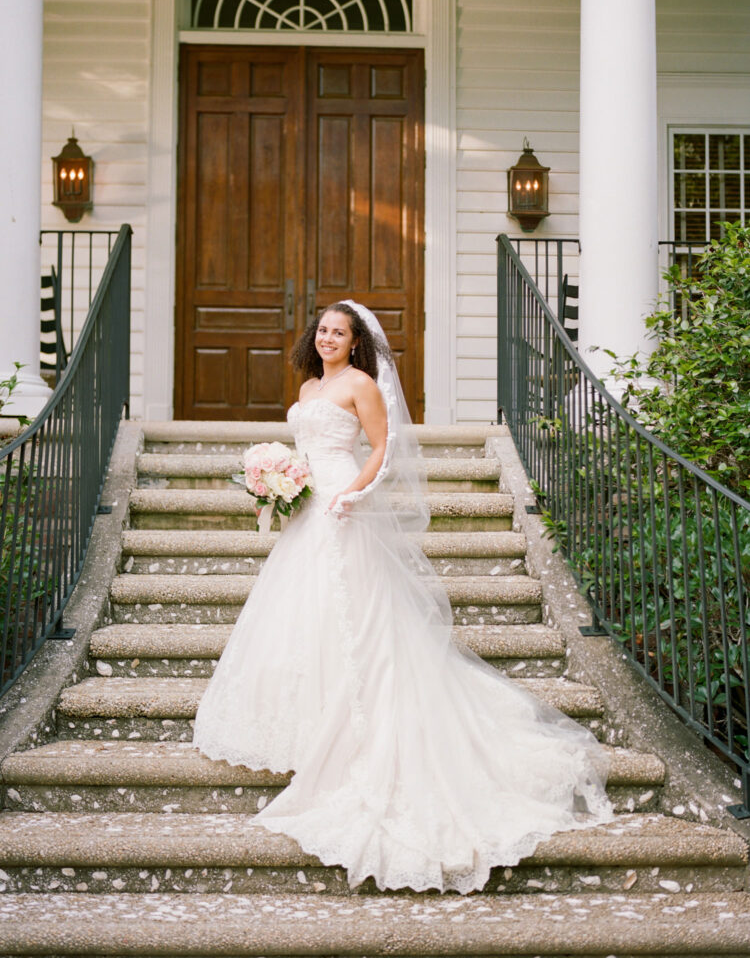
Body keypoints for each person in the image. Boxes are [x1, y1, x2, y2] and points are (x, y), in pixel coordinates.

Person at [193, 300, 614, 894]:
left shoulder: (362, 383)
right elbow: (307, 448)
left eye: (339, 332)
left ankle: (357, 729)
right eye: (322, 331)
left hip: (342, 505)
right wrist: (280, 482)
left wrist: (353, 495)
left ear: (356, 340)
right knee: (305, 616)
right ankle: (308, 721)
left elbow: (383, 448)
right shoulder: (311, 385)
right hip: (308, 507)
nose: (329, 338)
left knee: (357, 617)